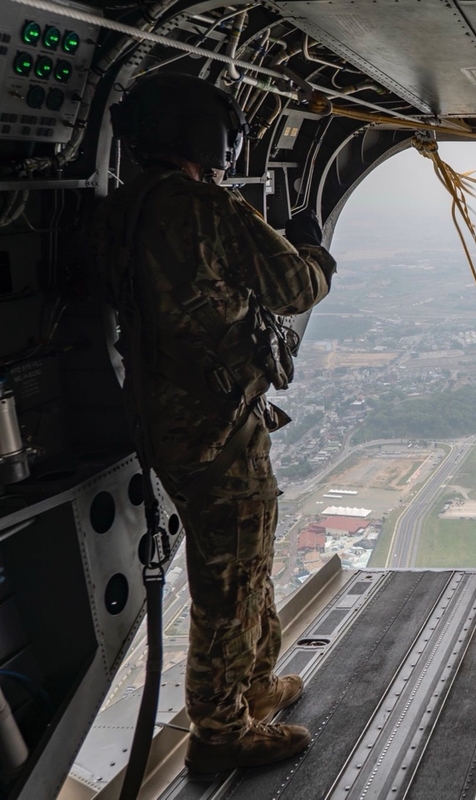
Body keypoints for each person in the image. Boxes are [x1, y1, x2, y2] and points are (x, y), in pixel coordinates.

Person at [92, 74, 336, 772]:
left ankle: (253, 686)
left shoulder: (123, 210)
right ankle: (221, 732)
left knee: (245, 558)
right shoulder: (201, 207)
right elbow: (294, 288)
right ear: (205, 138)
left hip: (170, 419)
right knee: (229, 578)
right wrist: (312, 248)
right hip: (216, 421)